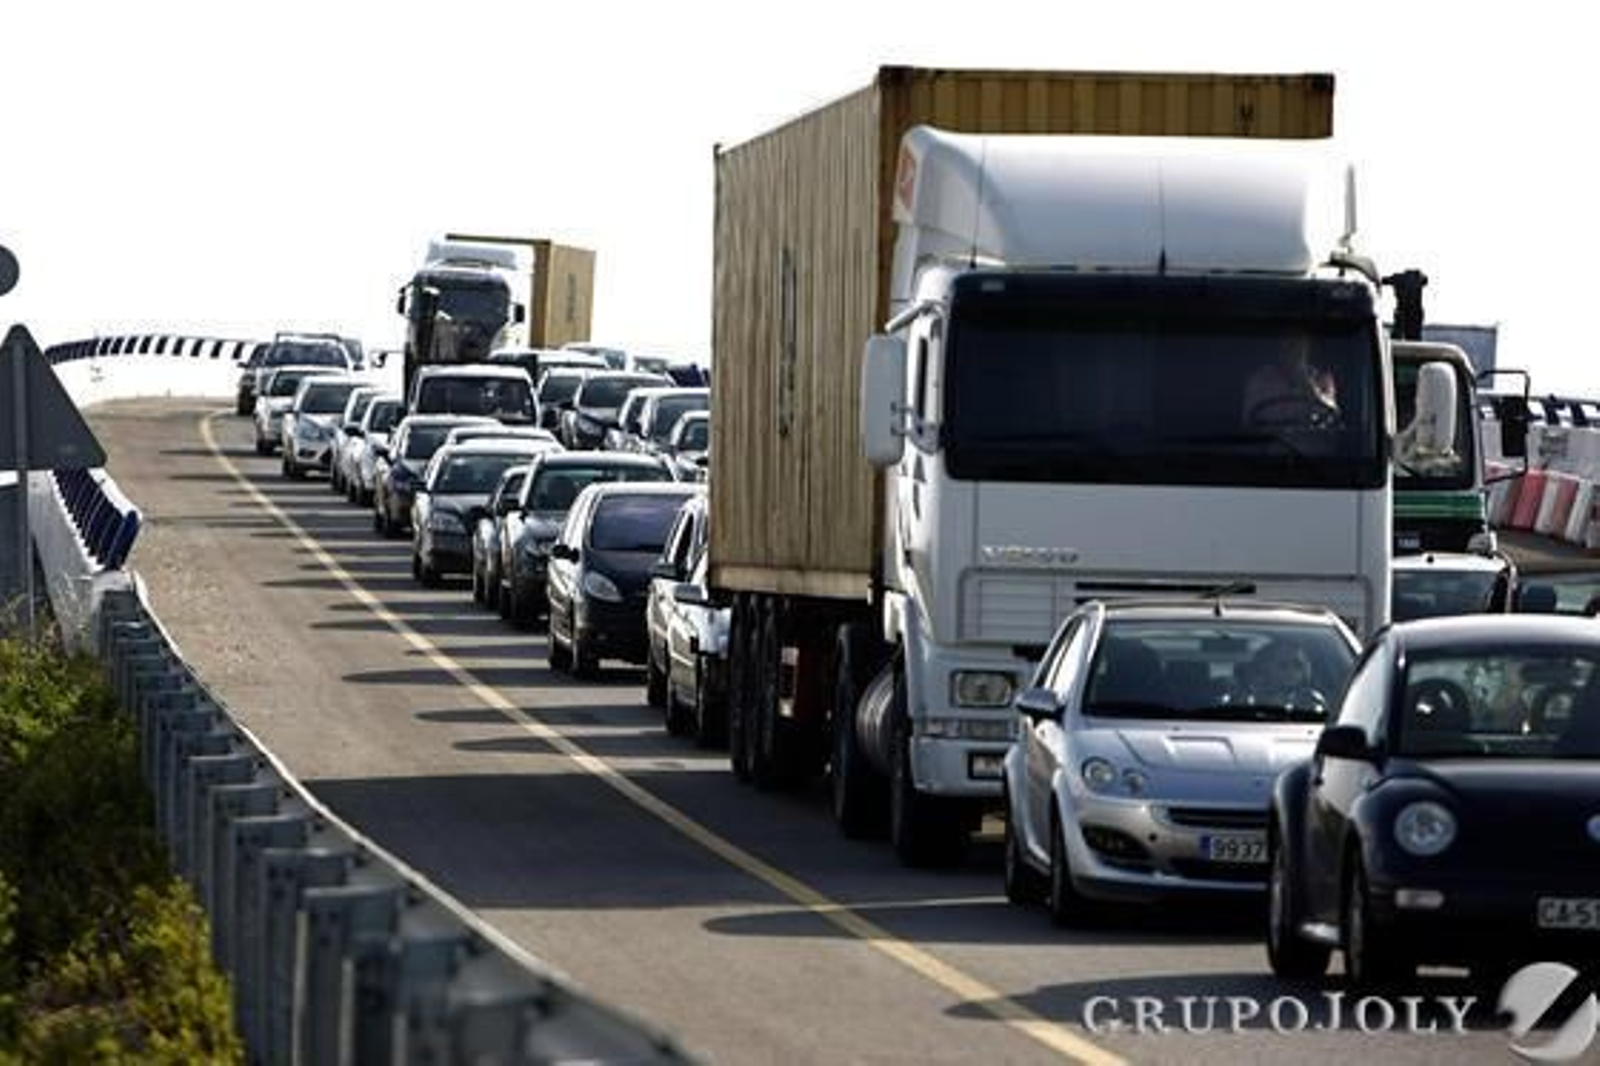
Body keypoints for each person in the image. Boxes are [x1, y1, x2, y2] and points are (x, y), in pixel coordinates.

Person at [1241, 338, 1339, 428]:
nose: (1294, 350)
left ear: (1307, 347)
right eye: (1289, 343)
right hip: (1273, 444)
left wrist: (1307, 384)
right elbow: (1249, 423)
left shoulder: (1322, 379)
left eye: (1299, 344)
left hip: (1311, 444)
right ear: (1280, 346)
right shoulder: (1260, 380)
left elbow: (1331, 418)